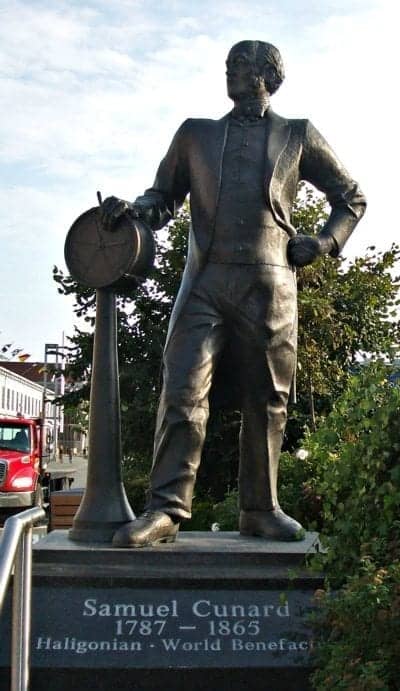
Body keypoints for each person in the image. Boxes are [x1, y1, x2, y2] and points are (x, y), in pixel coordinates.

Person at [102, 40, 366, 547]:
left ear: (269, 74)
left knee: (267, 400)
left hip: (270, 285)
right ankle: (165, 510)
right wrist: (132, 209)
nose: (230, 70)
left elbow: (351, 196)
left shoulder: (297, 134)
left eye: (241, 64)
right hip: (204, 284)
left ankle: (260, 509)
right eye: (229, 64)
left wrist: (327, 241)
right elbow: (162, 199)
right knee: (182, 391)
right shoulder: (195, 136)